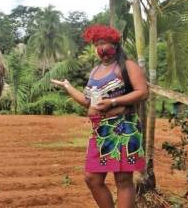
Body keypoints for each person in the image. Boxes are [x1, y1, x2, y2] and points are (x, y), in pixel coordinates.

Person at [51, 24, 148, 208]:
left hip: (123, 127)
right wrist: (67, 87)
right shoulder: (95, 71)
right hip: (99, 131)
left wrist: (113, 102)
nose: (100, 48)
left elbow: (142, 92)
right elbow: (88, 102)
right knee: (92, 179)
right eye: (96, 44)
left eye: (104, 43)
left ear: (115, 44)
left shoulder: (127, 66)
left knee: (123, 180)